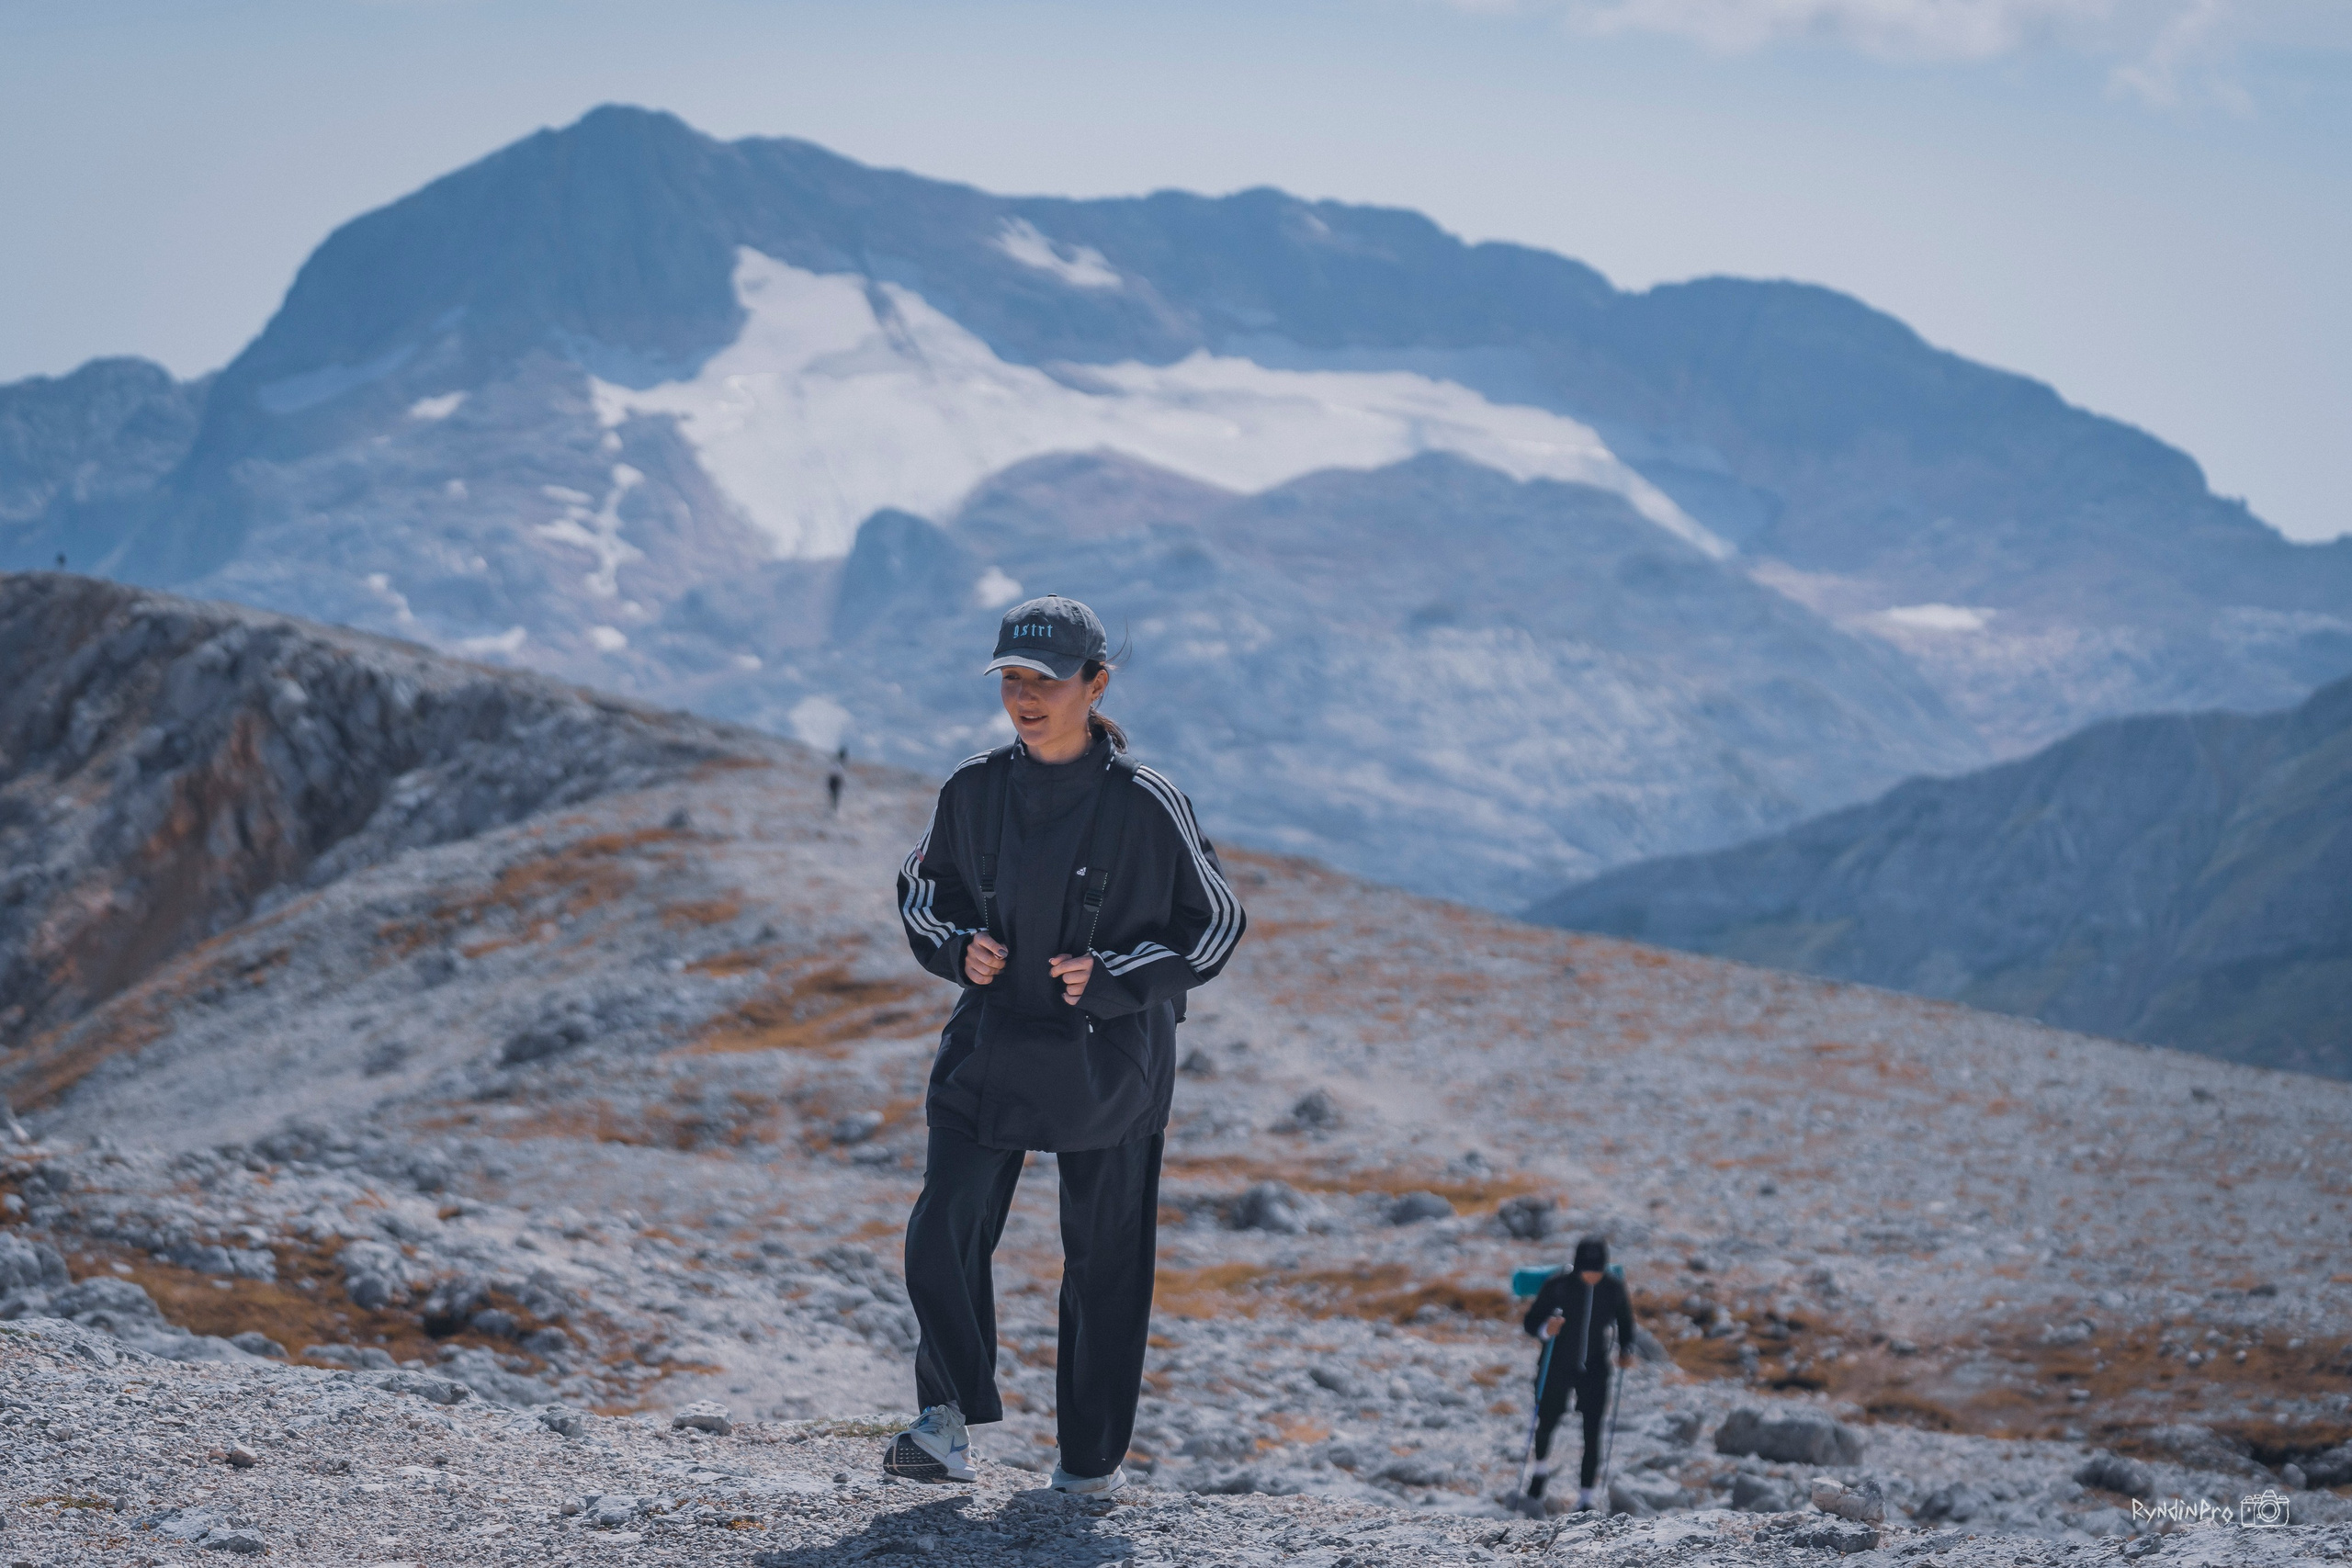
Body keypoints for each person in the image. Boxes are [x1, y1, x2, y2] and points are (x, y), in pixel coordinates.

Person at [883, 594, 1246, 1496]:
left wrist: (1121, 976)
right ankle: (944, 1421)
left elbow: (1218, 925)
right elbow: (925, 894)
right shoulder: (971, 788)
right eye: (1012, 678)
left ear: (1096, 684)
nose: (1026, 697)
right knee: (943, 1229)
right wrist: (956, 948)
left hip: (1109, 1060)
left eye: (1044, 680)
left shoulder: (1147, 802)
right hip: (992, 1041)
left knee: (1105, 1263)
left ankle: (1087, 1465)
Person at [1522, 1236, 1635, 1510]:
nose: (1592, 1277)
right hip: (1556, 1365)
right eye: (1587, 1270)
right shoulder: (1557, 1285)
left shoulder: (1613, 1287)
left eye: (1597, 1271)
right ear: (1577, 1266)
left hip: (1596, 1368)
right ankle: (1539, 1471)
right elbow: (1530, 1322)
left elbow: (1626, 1321)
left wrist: (1626, 1348)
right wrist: (1545, 1329)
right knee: (1547, 1420)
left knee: (1592, 1431)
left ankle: (1586, 1497)